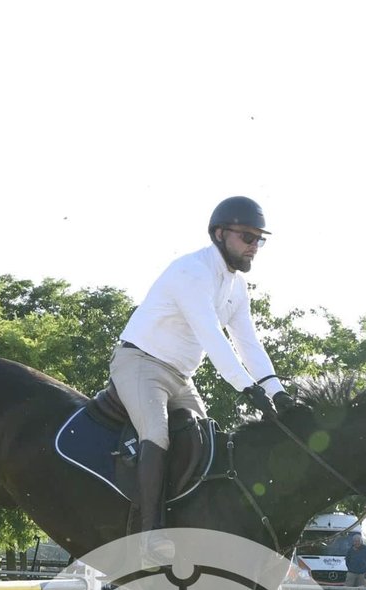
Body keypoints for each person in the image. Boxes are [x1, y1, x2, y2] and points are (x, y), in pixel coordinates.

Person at [111, 196, 293, 563]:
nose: (254, 246)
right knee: (157, 434)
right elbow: (212, 337)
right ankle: (149, 536)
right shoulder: (191, 272)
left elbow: (248, 343)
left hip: (181, 376)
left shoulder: (237, 288)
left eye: (259, 239)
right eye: (247, 237)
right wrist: (247, 387)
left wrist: (278, 392)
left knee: (207, 442)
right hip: (140, 362)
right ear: (220, 234)